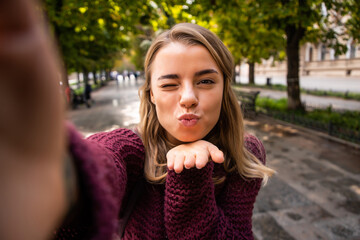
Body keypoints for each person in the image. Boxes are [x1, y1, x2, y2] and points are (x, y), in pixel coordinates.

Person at [0, 0, 275, 239]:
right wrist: (58, 170)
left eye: (205, 81)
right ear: (151, 94)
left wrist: (190, 175)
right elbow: (103, 161)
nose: (189, 97)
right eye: (169, 85)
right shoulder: (132, 149)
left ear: (224, 87)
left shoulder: (246, 154)